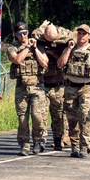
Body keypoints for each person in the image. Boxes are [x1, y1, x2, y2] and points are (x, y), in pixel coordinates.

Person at [56, 24, 90, 158]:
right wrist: (68, 49)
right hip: (70, 87)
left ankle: (85, 146)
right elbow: (60, 65)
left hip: (85, 88)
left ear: (89, 36)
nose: (81, 36)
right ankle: (75, 146)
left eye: (84, 34)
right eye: (79, 33)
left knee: (85, 117)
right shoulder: (70, 49)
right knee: (72, 118)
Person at [7, 22, 49, 156]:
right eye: (19, 34)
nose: (23, 36)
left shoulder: (37, 45)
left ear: (28, 32)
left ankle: (38, 141)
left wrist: (35, 48)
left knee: (37, 116)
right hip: (22, 87)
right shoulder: (12, 48)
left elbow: (44, 62)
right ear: (16, 35)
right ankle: (24, 144)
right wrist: (27, 47)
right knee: (22, 119)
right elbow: (17, 60)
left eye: (24, 33)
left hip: (37, 86)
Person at [32, 21, 72, 151]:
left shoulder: (65, 35)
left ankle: (58, 139)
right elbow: (33, 35)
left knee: (58, 115)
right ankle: (40, 141)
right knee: (40, 116)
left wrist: (54, 52)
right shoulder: (39, 36)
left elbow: (61, 64)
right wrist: (43, 27)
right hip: (43, 85)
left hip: (58, 86)